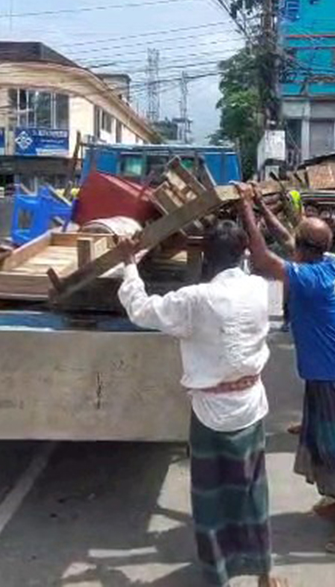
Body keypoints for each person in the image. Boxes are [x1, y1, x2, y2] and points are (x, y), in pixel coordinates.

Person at [115, 221, 285, 587]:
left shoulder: (193, 299)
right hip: (250, 404)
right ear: (242, 254)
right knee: (253, 490)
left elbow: (141, 310)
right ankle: (265, 572)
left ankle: (218, 575)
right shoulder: (263, 288)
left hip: (210, 411)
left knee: (211, 498)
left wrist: (129, 262)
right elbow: (271, 319)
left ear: (206, 257)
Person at [238, 188, 335, 558]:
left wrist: (246, 210)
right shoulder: (329, 261)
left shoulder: (310, 278)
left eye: (296, 244)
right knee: (326, 444)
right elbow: (288, 238)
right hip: (326, 374)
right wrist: (263, 207)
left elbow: (263, 258)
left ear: (302, 250)